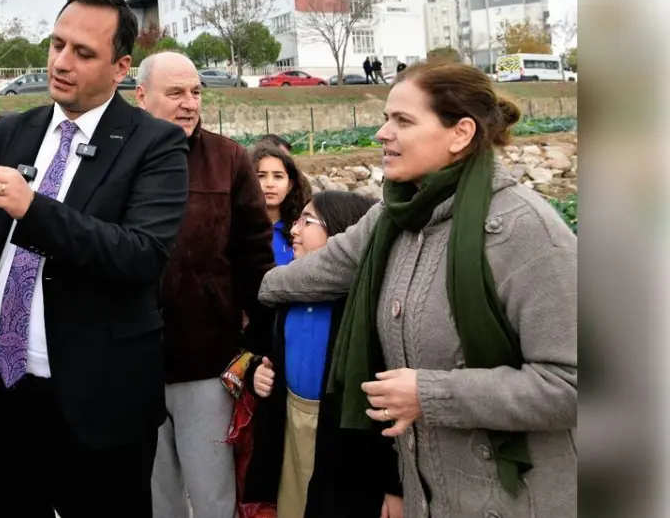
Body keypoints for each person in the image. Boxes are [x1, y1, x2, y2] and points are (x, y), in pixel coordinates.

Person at [259, 60, 577, 517]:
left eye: (403, 121)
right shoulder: (391, 218)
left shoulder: (527, 233)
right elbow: (316, 272)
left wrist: (430, 394)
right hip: (427, 494)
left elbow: (570, 384)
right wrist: (251, 288)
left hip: (515, 499)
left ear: (460, 133)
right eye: (385, 118)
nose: (382, 133)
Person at [0, 0, 190, 517]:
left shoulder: (155, 144)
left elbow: (140, 255)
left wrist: (32, 208)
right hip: (4, 391)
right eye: (57, 44)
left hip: (99, 402)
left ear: (121, 67)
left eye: (83, 52)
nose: (62, 62)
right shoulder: (10, 130)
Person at [133, 52, 275, 518]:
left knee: (214, 497)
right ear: (141, 95)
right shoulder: (117, 158)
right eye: (175, 92)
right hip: (132, 364)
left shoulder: (228, 159)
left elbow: (255, 257)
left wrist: (259, 343)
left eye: (195, 91)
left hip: (208, 363)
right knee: (155, 501)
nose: (190, 103)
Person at [244, 191, 400, 518]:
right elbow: (254, 350)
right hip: (290, 425)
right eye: (296, 220)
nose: (294, 229)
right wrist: (256, 370)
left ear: (345, 234)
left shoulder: (365, 306)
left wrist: (394, 484)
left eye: (307, 221)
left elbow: (391, 403)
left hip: (343, 440)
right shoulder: (287, 292)